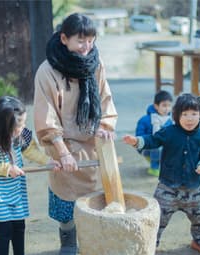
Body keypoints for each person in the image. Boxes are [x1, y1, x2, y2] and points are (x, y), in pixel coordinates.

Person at [33, 13, 117, 254]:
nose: (86, 47)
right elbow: (45, 116)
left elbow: (105, 99)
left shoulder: (95, 64)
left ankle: (92, 243)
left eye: (91, 40)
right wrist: (63, 153)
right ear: (64, 38)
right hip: (64, 145)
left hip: (92, 144)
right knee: (66, 203)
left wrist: (104, 127)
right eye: (81, 41)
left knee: (96, 201)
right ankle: (68, 243)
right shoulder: (47, 71)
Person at [123, 93, 200, 255]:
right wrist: (137, 141)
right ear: (176, 115)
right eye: (184, 114)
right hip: (167, 188)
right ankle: (151, 242)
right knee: (158, 218)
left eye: (194, 114)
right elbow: (153, 140)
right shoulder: (169, 132)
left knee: (199, 218)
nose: (189, 119)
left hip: (193, 189)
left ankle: (199, 240)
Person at [0, 96, 60, 255]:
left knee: (19, 227)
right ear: (6, 126)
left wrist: (47, 161)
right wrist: (6, 168)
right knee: (4, 230)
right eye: (20, 124)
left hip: (13, 190)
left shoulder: (20, 136)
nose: (24, 126)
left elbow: (31, 152)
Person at [135, 90, 173, 176]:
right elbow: (139, 136)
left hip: (163, 147)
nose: (167, 108)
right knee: (157, 146)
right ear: (156, 106)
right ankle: (154, 167)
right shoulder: (145, 120)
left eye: (169, 105)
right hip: (147, 147)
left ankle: (165, 165)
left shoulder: (169, 120)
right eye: (164, 105)